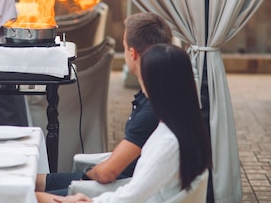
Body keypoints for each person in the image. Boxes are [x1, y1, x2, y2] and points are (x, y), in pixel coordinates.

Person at [36, 44, 212, 202]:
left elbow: (132, 196)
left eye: (144, 78)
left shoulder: (168, 143)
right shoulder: (183, 128)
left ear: (157, 87)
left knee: (28, 197)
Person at [37, 12, 172, 195]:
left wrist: (86, 175)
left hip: (115, 189)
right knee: (34, 181)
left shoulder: (151, 110)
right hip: (109, 180)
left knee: (28, 195)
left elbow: (110, 173)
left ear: (132, 53)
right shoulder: (156, 94)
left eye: (124, 47)